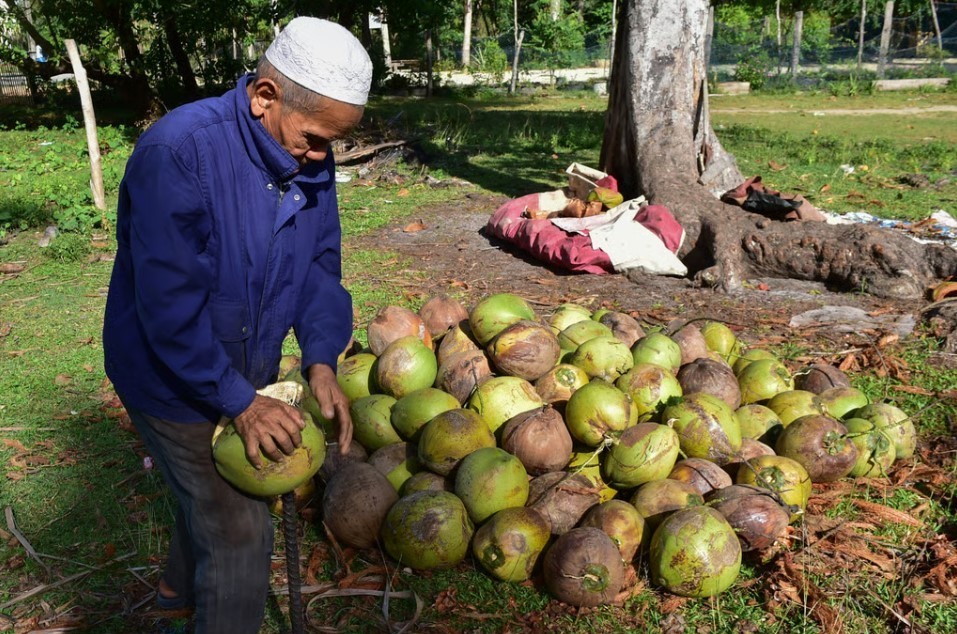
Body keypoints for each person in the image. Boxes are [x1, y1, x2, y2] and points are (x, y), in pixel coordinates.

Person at [102, 17, 371, 634]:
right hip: (166, 373)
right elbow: (169, 309)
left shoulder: (308, 159)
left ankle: (177, 589)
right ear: (264, 96)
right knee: (241, 527)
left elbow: (319, 268)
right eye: (314, 138)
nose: (323, 157)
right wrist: (239, 403)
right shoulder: (178, 152)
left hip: (243, 363)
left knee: (208, 494)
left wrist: (321, 357)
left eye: (335, 142)